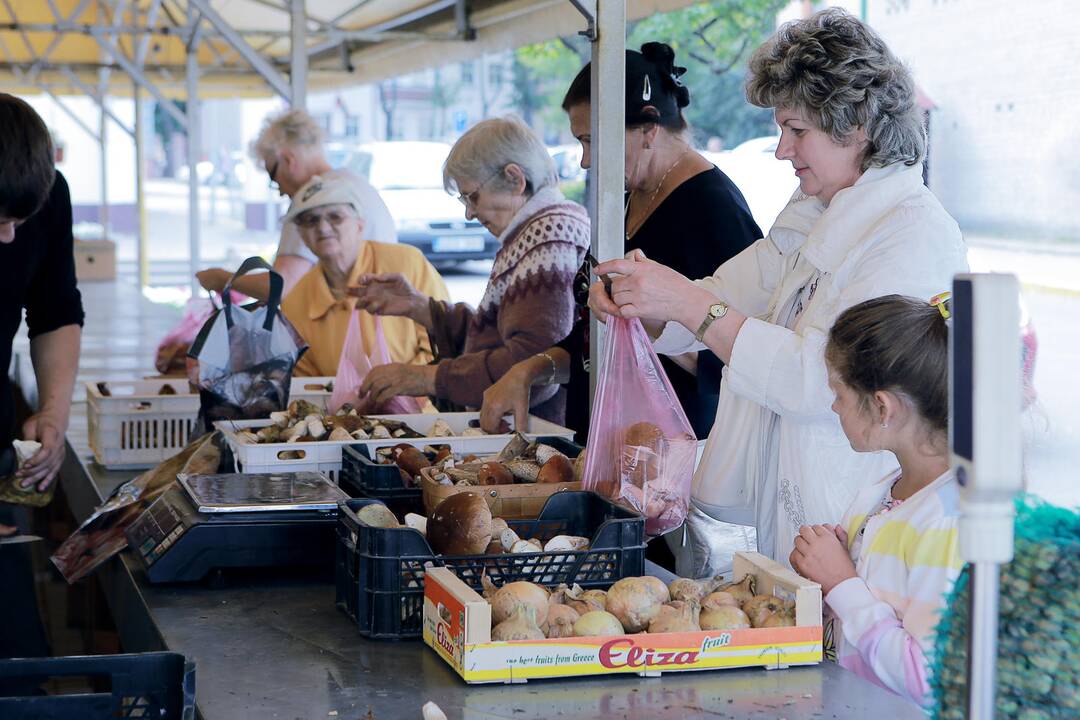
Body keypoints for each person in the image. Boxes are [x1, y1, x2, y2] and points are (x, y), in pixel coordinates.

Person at [589, 8, 968, 572]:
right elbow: (732, 291)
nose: (782, 150)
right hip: (786, 517)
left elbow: (820, 378)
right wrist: (644, 303)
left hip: (850, 524)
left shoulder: (911, 234)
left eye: (797, 130)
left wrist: (688, 302)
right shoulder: (818, 210)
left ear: (855, 125)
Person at [480, 42, 762, 441]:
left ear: (648, 128)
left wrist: (653, 324)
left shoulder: (713, 209)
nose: (585, 160)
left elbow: (735, 360)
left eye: (593, 141)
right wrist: (530, 369)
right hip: (604, 442)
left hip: (670, 456)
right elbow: (594, 334)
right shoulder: (627, 198)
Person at [350, 117, 590, 424]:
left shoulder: (548, 238)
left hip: (542, 437)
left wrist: (428, 378)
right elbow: (494, 337)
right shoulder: (537, 231)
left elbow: (532, 365)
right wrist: (421, 308)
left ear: (515, 178)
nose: (469, 212)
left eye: (472, 196)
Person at [790, 294, 962, 707]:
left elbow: (927, 681)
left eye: (840, 394)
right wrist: (830, 576)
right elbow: (869, 611)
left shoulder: (948, 523)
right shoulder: (886, 489)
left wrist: (842, 583)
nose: (834, 406)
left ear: (882, 406)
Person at [0, 94, 84, 660]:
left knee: (13, 647)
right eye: (0, 220)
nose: (9, 239)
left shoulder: (49, 198)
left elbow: (54, 310)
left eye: (20, 222)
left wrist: (52, 411)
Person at [197, 108, 397, 301]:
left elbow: (282, 286)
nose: (280, 190)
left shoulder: (311, 203)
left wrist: (222, 279)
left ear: (288, 159)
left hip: (347, 326)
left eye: (273, 176)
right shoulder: (356, 183)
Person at [279, 174, 448, 378]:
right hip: (339, 410)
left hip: (423, 404)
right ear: (302, 236)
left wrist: (405, 388)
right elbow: (308, 383)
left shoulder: (407, 263)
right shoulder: (294, 303)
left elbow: (444, 338)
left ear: (359, 224)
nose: (323, 228)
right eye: (310, 221)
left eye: (335, 217)